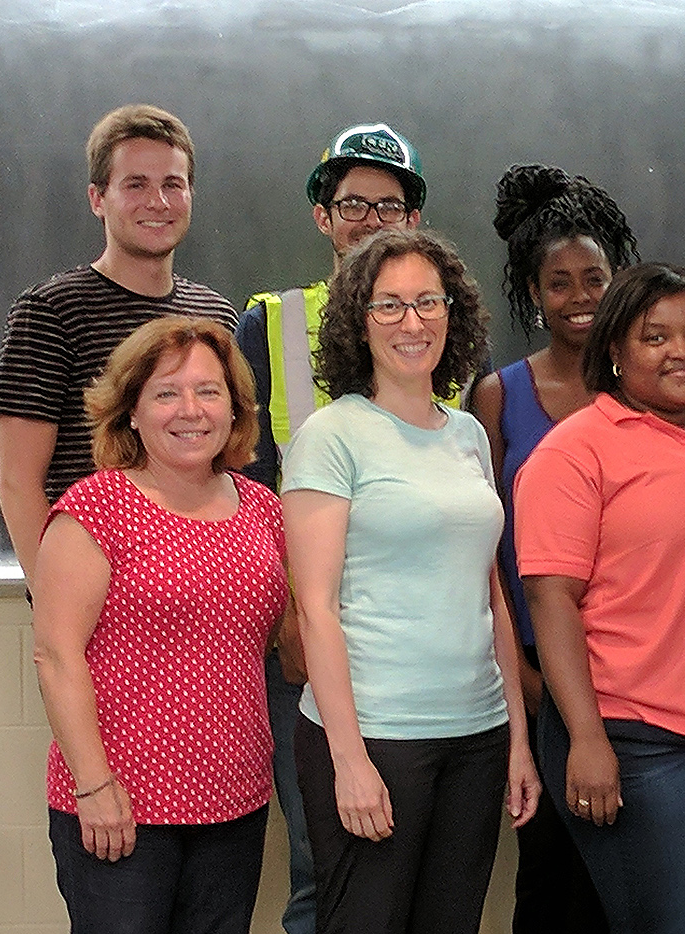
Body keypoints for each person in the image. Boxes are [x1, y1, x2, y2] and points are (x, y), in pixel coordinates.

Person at [515, 263, 685, 934]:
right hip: (635, 729)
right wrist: (584, 737)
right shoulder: (575, 450)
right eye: (655, 337)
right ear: (613, 351)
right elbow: (551, 597)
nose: (682, 350)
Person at [282, 229, 539, 934]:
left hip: (476, 735)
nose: (412, 322)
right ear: (356, 321)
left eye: (428, 301)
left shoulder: (465, 435)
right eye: (389, 305)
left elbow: (489, 597)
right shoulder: (331, 436)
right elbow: (315, 608)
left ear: (452, 313)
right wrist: (349, 759)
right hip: (377, 737)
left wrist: (516, 738)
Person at [31, 316, 287, 934]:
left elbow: (287, 643)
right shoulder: (93, 509)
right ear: (132, 412)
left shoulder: (263, 507)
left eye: (208, 390)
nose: (190, 410)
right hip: (119, 807)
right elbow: (56, 656)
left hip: (234, 801)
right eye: (166, 393)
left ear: (235, 409)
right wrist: (93, 787)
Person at [233, 120, 427, 934]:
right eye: (352, 203)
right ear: (322, 216)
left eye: (389, 204)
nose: (369, 220)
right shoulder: (269, 324)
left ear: (413, 219)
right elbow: (241, 489)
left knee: (412, 851)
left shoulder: (437, 331)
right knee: (323, 857)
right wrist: (285, 616)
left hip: (414, 638)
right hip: (302, 640)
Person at [470, 162, 639, 934]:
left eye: (594, 277)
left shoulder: (654, 388)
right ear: (532, 295)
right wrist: (527, 682)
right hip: (540, 677)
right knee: (551, 881)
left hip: (641, 678)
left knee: (633, 882)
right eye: (560, 282)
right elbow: (488, 549)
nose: (580, 298)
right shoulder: (500, 395)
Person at [0, 104, 236, 587]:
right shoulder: (49, 312)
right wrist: (59, 602)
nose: (158, 202)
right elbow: (18, 485)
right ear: (97, 198)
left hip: (202, 592)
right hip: (96, 599)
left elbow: (225, 462)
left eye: (172, 184)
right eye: (136, 184)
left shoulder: (216, 317)